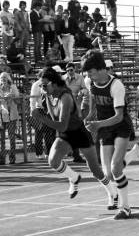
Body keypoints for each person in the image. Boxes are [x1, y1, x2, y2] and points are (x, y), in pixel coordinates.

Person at [31, 67, 117, 208]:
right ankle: (73, 177)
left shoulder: (66, 97)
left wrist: (40, 117)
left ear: (54, 83)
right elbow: (56, 121)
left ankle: (112, 192)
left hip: (78, 133)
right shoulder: (48, 95)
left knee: (95, 170)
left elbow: (62, 125)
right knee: (53, 161)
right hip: (65, 135)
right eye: (40, 85)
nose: (42, 88)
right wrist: (42, 114)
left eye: (44, 85)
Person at [81, 50, 134, 220]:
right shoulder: (90, 82)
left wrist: (97, 125)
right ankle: (135, 153)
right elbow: (94, 102)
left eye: (91, 71)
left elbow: (118, 116)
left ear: (101, 69)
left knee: (116, 167)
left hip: (120, 126)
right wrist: (90, 117)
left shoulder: (116, 85)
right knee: (108, 173)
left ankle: (125, 207)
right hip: (104, 127)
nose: (88, 75)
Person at [62, 62, 89, 163]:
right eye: (68, 70)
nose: (69, 72)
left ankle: (76, 154)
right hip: (65, 106)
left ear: (75, 70)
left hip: (76, 106)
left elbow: (84, 89)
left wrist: (82, 92)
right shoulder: (62, 79)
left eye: (71, 70)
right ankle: (73, 154)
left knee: (76, 129)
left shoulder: (80, 78)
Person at [30, 69, 56, 160]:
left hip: (48, 110)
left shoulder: (49, 83)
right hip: (39, 109)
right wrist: (32, 111)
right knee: (39, 132)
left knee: (49, 133)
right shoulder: (36, 85)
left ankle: (48, 153)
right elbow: (32, 99)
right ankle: (38, 153)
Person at [0, 72, 19, 164]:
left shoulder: (13, 87)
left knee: (12, 138)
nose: (3, 79)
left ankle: (12, 158)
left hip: (12, 116)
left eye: (4, 77)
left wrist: (13, 97)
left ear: (8, 78)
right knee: (2, 138)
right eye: (1, 77)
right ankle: (2, 159)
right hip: (2, 116)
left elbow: (18, 101)